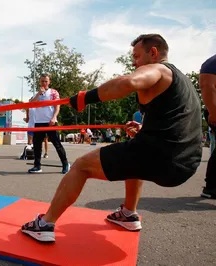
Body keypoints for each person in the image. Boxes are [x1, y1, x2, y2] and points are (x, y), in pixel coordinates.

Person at [21, 34, 202, 242]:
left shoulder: (159, 69)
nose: (134, 62)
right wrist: (144, 128)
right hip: (186, 164)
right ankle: (128, 214)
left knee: (81, 166)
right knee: (134, 153)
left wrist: (83, 98)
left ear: (153, 53)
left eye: (136, 56)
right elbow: (178, 120)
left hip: (161, 158)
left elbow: (129, 82)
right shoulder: (183, 81)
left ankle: (44, 224)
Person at [28, 74, 70, 174]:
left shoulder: (53, 92)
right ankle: (37, 166)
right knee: (37, 145)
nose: (44, 83)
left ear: (49, 82)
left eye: (46, 81)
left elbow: (57, 106)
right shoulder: (36, 94)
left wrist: (54, 117)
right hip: (38, 122)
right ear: (40, 82)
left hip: (50, 122)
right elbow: (31, 104)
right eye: (42, 81)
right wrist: (39, 94)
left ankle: (65, 164)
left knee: (57, 144)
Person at [199, 54, 216, 199]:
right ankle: (211, 187)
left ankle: (211, 186)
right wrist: (213, 111)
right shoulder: (212, 62)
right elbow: (206, 85)